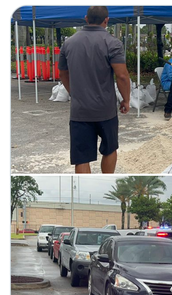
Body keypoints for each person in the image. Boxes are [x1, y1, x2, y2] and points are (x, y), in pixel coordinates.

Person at [58, 6, 130, 174]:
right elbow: (122, 76)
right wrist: (125, 99)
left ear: (86, 19)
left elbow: (63, 73)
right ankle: (107, 180)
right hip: (106, 111)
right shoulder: (113, 43)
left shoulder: (69, 43)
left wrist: (73, 93)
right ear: (107, 20)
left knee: (82, 157)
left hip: (79, 111)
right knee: (110, 149)